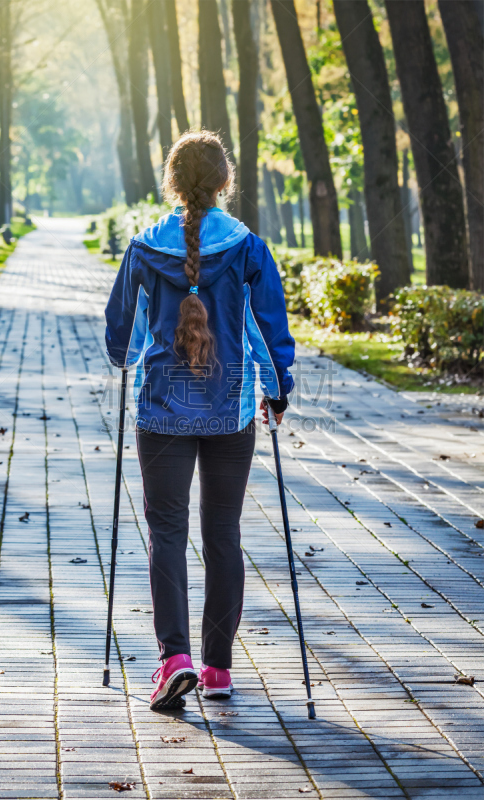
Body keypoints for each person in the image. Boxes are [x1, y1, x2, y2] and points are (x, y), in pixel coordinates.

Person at [105, 130, 295, 711]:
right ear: (223, 182)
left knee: (167, 534)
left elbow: (121, 340)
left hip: (161, 412)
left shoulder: (142, 248)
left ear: (173, 182)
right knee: (222, 536)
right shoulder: (248, 247)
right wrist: (276, 387)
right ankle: (216, 670)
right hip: (230, 411)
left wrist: (132, 355)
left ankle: (174, 660)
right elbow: (268, 327)